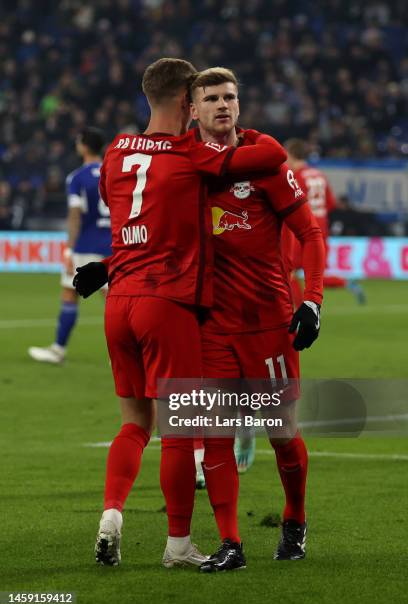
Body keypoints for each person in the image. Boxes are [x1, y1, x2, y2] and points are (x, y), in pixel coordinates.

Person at [75, 58, 288, 569]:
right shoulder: (192, 153)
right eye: (201, 100)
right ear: (186, 103)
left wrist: (108, 265)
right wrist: (246, 131)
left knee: (132, 424)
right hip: (165, 304)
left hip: (118, 302)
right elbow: (273, 156)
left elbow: (135, 222)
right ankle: (177, 546)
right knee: (180, 429)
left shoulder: (115, 150)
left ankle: (111, 514)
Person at [188, 68, 325, 571]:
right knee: (215, 431)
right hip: (211, 324)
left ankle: (295, 518)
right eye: (213, 99)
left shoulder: (265, 161)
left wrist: (311, 301)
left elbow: (309, 233)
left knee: (281, 432)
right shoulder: (183, 164)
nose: (224, 105)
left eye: (230, 97)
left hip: (268, 321)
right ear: (193, 110)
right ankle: (231, 543)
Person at [28, 127, 110, 364]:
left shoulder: (77, 177)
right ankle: (128, 354)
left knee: (69, 294)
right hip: (114, 245)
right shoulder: (114, 172)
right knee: (116, 302)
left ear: (84, 146)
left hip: (86, 245)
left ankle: (58, 350)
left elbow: (75, 216)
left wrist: (68, 250)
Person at [282, 138, 366, 307]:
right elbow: (331, 203)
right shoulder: (319, 174)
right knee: (313, 275)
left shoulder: (295, 176)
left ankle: (296, 313)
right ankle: (345, 283)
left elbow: (291, 205)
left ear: (291, 155)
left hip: (302, 231)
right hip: (321, 231)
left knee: (289, 271)